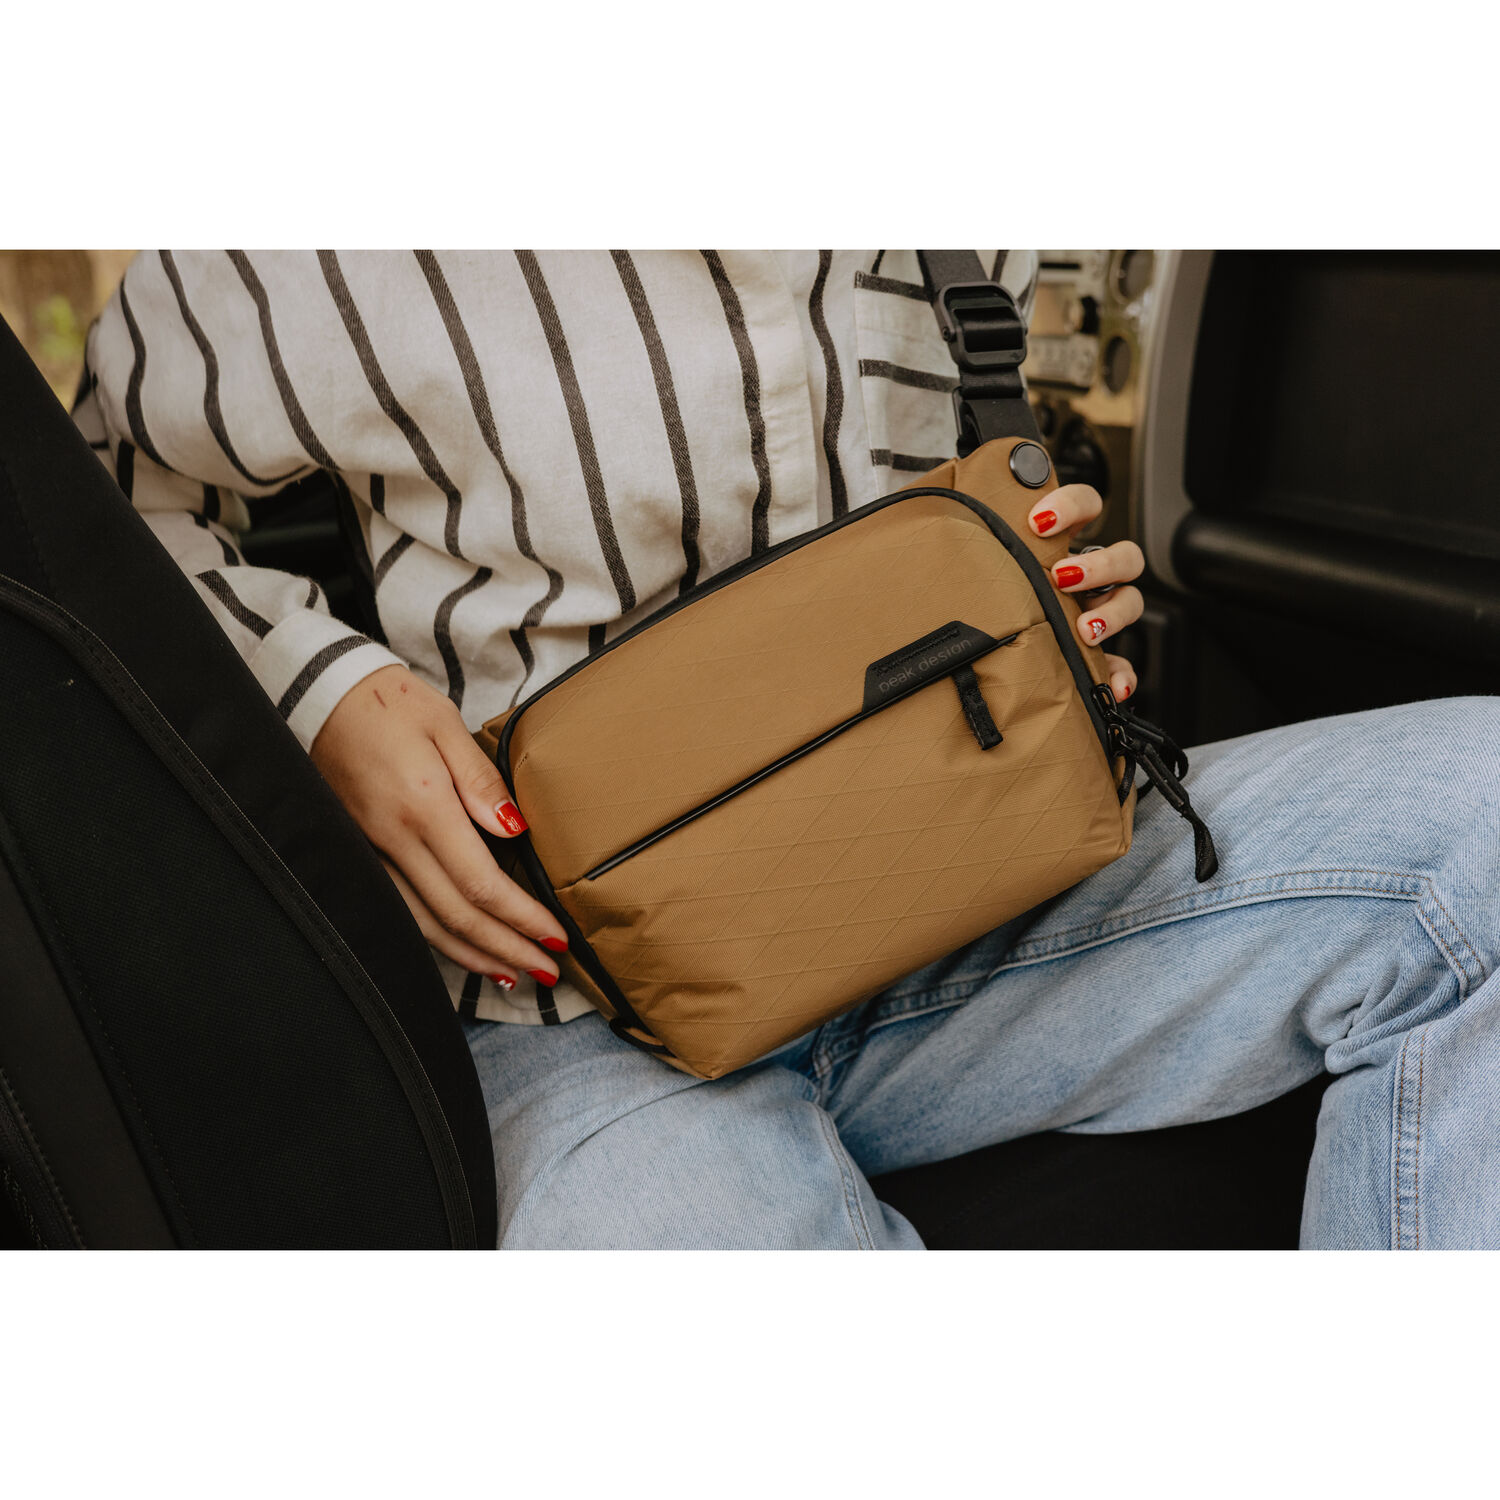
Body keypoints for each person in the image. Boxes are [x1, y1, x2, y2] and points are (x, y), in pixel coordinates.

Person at [75, 249, 1500, 1249]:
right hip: (575, 1003)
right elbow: (97, 495)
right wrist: (325, 697)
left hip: (974, 897)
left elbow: (933, 536)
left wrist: (1043, 620)